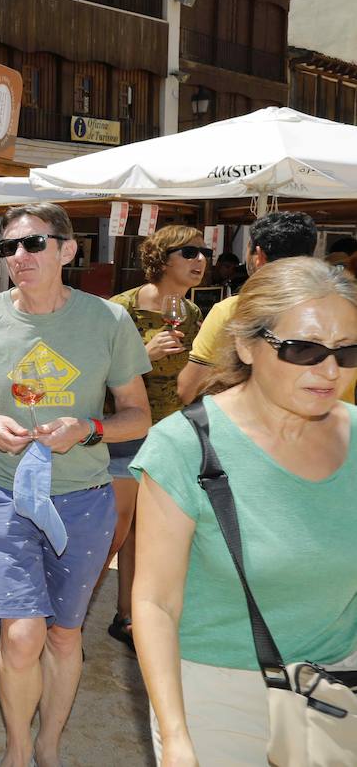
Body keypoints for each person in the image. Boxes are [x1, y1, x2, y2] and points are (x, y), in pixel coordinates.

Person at [0, 202, 151, 767]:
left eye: (33, 244)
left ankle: (49, 746)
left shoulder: (108, 321)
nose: (19, 257)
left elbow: (137, 415)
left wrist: (88, 429)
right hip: (4, 490)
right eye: (9, 247)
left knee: (62, 634)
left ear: (68, 250)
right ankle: (16, 748)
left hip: (84, 495)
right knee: (22, 635)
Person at [133, 257, 357, 764]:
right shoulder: (184, 446)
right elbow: (155, 604)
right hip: (217, 688)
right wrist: (177, 735)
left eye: (348, 352)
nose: (329, 371)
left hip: (339, 684)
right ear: (244, 345)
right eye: (303, 348)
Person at [97, 226, 206, 652]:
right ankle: (64, 623)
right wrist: (146, 355)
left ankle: (127, 616)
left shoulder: (193, 314)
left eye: (204, 252)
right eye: (189, 252)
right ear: (163, 258)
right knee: (113, 535)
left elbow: (194, 376)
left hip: (172, 435)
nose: (200, 260)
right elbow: (97, 375)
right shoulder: (117, 310)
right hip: (127, 434)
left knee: (153, 534)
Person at [178, 211, 319, 405]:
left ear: (258, 255)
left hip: (251, 428)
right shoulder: (341, 311)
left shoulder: (232, 310)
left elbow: (188, 389)